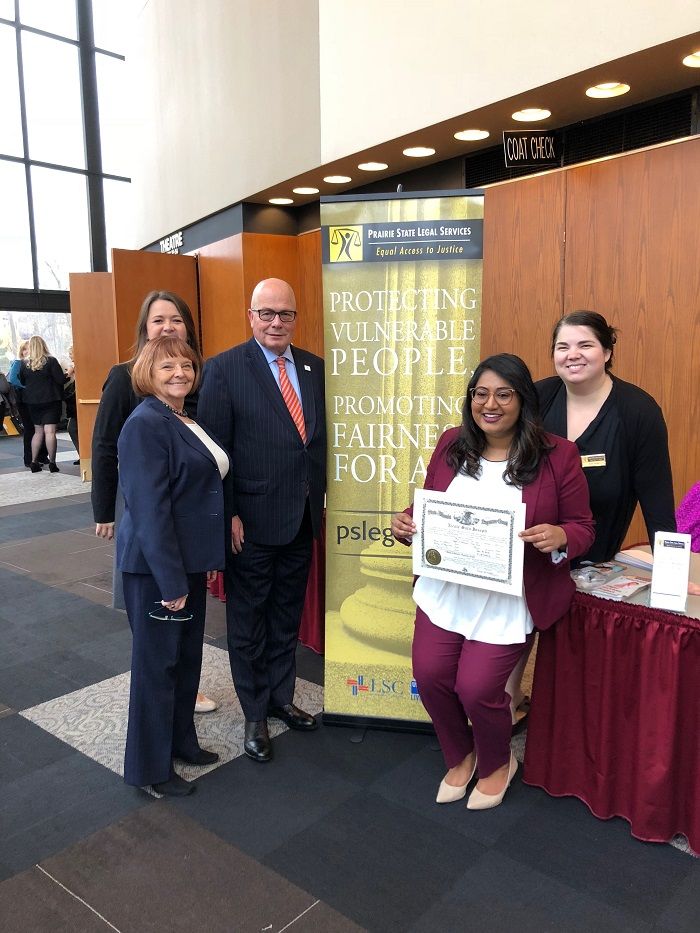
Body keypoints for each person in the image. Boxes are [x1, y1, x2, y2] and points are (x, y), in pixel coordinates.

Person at [391, 354, 594, 810]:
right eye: (481, 394)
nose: (491, 404)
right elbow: (431, 507)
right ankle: (459, 756)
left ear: (523, 400)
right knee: (430, 676)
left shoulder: (558, 455)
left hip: (508, 597)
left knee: (478, 689)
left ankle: (498, 763)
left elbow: (583, 526)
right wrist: (406, 521)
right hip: (448, 589)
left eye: (504, 394)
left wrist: (561, 535)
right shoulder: (451, 443)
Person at [197, 278, 326, 762]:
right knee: (249, 621)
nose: (276, 322)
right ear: (250, 316)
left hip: (301, 519)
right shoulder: (224, 369)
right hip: (248, 522)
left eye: (285, 314)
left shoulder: (313, 367)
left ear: (296, 318)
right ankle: (255, 713)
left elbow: (315, 443)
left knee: (286, 615)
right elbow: (215, 451)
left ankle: (280, 698)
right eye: (266, 313)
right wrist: (227, 512)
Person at [91, 289, 217, 714]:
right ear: (145, 329)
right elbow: (105, 445)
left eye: (176, 320)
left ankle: (181, 714)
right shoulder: (129, 385)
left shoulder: (191, 385)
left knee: (181, 637)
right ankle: (157, 732)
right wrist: (103, 509)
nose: (168, 327)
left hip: (186, 525)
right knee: (155, 633)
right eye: (159, 320)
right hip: (148, 518)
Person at [117, 336, 229, 796]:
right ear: (148, 372)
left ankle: (181, 743)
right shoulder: (145, 424)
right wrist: (170, 580)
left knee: (184, 661)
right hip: (156, 571)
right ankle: (150, 769)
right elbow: (150, 510)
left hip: (187, 564)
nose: (180, 372)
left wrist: (200, 562)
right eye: (167, 367)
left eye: (186, 364)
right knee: (157, 668)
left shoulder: (183, 418)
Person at [537, 310, 676, 564]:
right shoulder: (536, 399)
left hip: (597, 568)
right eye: (563, 347)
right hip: (529, 565)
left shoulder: (638, 411)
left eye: (585, 345)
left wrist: (672, 573)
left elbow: (658, 506)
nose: (572, 354)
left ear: (607, 352)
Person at [16, 336, 65, 472]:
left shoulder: (24, 364)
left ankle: (33, 462)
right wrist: (69, 373)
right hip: (51, 400)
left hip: (32, 402)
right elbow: (60, 380)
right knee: (50, 432)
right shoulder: (51, 361)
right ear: (43, 345)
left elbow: (22, 381)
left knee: (38, 432)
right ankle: (52, 463)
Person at [8, 340, 48, 468]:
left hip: (36, 399)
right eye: (24, 349)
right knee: (30, 428)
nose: (26, 352)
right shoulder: (18, 363)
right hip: (24, 400)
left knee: (40, 427)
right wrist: (27, 387)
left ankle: (42, 455)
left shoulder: (36, 363)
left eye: (29, 349)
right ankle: (29, 458)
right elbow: (12, 379)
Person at [64, 345, 79, 465]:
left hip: (76, 403)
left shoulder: (75, 367)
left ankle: (83, 454)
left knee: (72, 428)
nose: (70, 356)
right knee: (72, 428)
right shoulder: (74, 366)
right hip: (75, 402)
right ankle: (82, 454)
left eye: (71, 353)